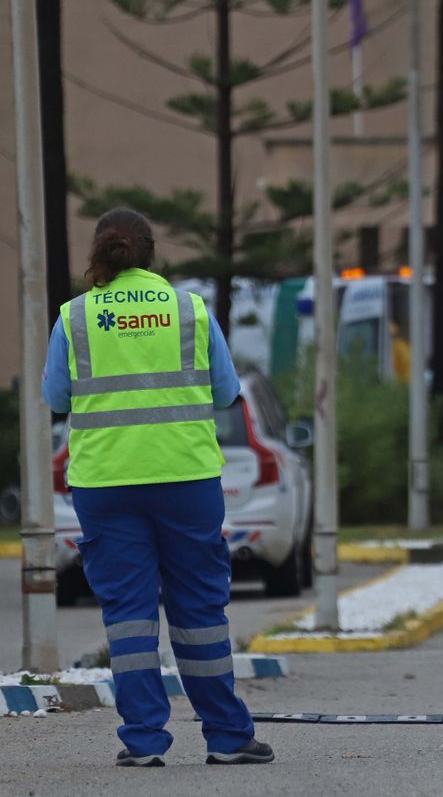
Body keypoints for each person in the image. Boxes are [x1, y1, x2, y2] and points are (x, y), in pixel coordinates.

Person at [41, 208, 273, 768]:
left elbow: (55, 398)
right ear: (151, 252)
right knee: (199, 609)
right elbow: (224, 392)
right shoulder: (190, 310)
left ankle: (143, 742)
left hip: (106, 484)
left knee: (129, 614)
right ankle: (225, 735)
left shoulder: (74, 317)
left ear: (99, 253)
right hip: (185, 479)